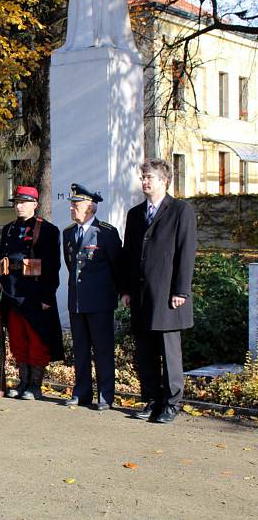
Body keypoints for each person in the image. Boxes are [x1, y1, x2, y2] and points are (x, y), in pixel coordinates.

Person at [121, 158, 197, 424]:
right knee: (145, 351)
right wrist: (126, 290)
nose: (144, 181)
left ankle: (172, 403)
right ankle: (152, 399)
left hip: (167, 295)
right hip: (141, 296)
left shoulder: (180, 211)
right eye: (142, 177)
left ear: (164, 181)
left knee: (169, 350)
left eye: (149, 177)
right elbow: (129, 255)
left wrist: (181, 291)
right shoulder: (134, 214)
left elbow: (186, 253)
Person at [0, 186, 64, 400]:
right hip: (11, 292)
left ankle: (35, 386)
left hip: (35, 294)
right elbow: (0, 260)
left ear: (35, 204)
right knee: (18, 341)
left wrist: (47, 296)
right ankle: (23, 381)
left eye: (23, 202)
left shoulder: (47, 230)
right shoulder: (7, 229)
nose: (19, 206)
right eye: (16, 202)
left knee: (37, 341)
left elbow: (53, 266)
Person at [62, 184, 122, 411]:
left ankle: (106, 396)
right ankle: (82, 392)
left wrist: (118, 293)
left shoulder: (106, 232)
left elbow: (118, 267)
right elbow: (71, 265)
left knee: (103, 350)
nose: (72, 207)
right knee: (80, 349)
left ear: (91, 207)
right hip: (77, 301)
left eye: (76, 204)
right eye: (72, 204)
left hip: (100, 302)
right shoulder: (68, 233)